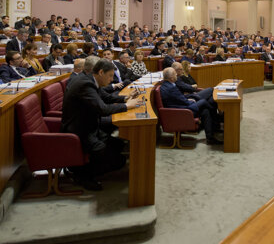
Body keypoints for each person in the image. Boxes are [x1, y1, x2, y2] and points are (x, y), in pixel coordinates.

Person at [61, 59, 140, 190]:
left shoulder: (90, 80)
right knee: (118, 161)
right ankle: (82, 175)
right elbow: (102, 109)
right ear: (101, 72)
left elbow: (106, 97)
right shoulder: (85, 84)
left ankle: (85, 169)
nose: (111, 80)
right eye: (110, 76)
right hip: (80, 130)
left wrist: (125, 98)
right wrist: (127, 106)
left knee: (119, 144)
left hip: (90, 125)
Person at [159, 67, 222, 145]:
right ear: (171, 78)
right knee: (204, 101)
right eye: (175, 75)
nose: (177, 76)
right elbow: (181, 100)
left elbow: (179, 98)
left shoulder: (167, 85)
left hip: (180, 108)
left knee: (205, 110)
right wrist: (191, 102)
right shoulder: (171, 88)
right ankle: (218, 118)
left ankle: (210, 136)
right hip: (182, 112)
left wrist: (190, 99)